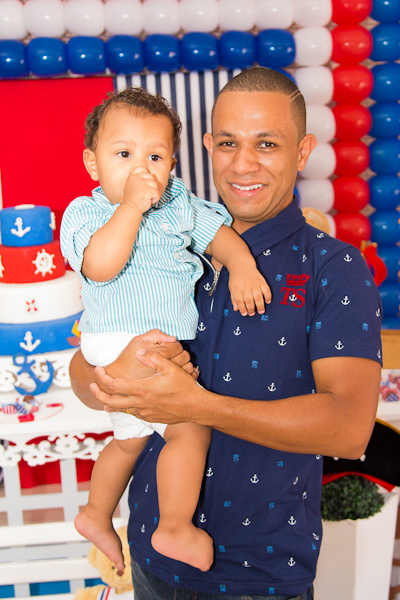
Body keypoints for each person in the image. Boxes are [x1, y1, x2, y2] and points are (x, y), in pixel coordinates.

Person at [70, 68, 383, 600]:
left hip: (261, 572)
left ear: (303, 151)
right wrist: (111, 373)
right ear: (208, 146)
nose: (243, 164)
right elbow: (84, 372)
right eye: (229, 143)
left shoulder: (334, 267)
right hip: (151, 559)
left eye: (267, 144)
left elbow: (349, 429)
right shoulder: (158, 244)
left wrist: (198, 406)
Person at [60, 87, 272, 576]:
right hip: (121, 340)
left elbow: (218, 236)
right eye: (124, 154)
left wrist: (241, 265)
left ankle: (95, 513)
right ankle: (174, 526)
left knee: (129, 441)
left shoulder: (177, 203)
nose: (142, 169)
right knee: (189, 428)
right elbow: (100, 266)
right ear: (92, 164)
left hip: (152, 345)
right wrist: (130, 208)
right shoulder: (87, 212)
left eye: (155, 157)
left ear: (173, 165)